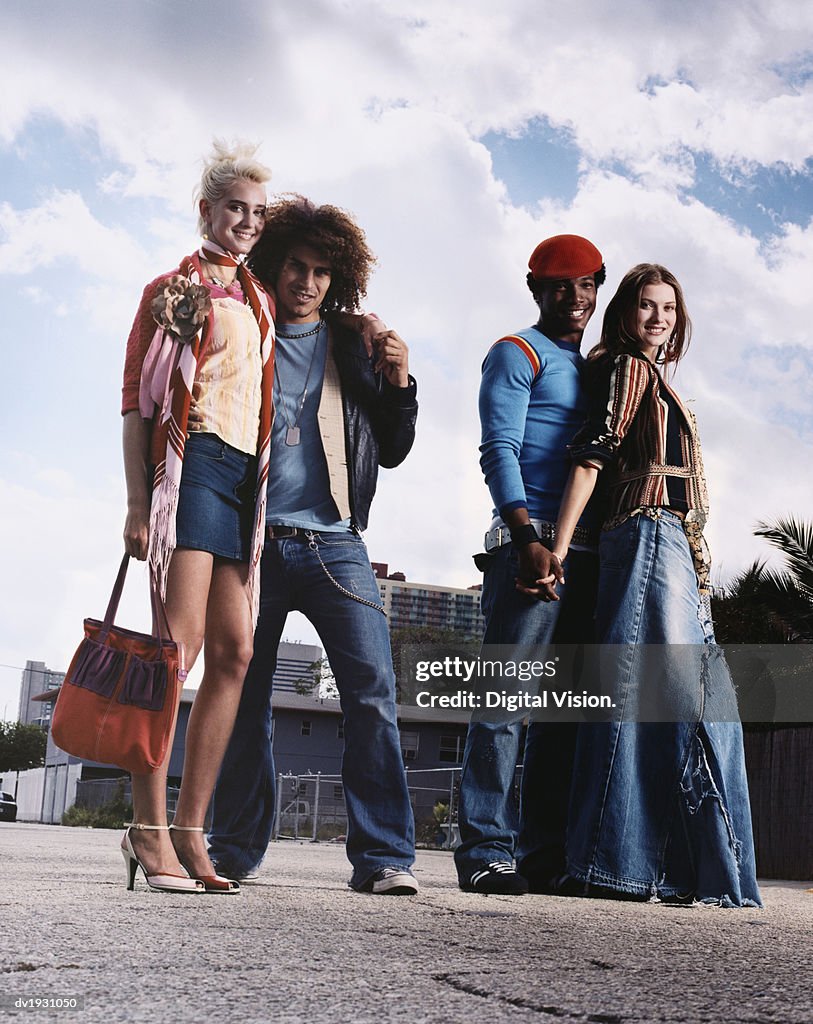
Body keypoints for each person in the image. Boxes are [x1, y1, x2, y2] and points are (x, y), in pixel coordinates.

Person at [207, 195, 420, 895]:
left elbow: (390, 450)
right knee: (243, 697)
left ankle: (384, 858)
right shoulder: (247, 330)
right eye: (296, 265)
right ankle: (233, 851)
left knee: (371, 694)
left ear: (339, 280)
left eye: (322, 272)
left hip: (335, 545)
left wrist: (399, 381)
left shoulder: (352, 343)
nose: (307, 281)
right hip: (253, 543)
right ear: (275, 265)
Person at [550, 263, 761, 906]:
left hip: (670, 547)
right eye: (646, 305)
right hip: (644, 537)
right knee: (658, 699)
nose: (658, 317)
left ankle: (662, 868)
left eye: (668, 307)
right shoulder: (627, 368)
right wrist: (556, 548)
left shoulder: (659, 379)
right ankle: (617, 865)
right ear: (626, 311)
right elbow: (594, 454)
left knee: (683, 701)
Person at [119, 140, 274, 894]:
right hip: (191, 467)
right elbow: (136, 406)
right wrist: (137, 502)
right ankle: (147, 832)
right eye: (234, 208)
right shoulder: (171, 289)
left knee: (236, 652)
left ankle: (190, 830)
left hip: (245, 479)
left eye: (257, 212)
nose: (246, 221)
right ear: (206, 210)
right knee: (172, 654)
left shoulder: (257, 298)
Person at [455, 235, 603, 895]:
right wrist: (524, 538)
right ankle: (485, 851)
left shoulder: (595, 366)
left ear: (598, 288)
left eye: (584, 286)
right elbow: (498, 447)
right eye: (558, 286)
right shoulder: (517, 354)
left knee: (562, 713)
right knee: (504, 703)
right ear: (535, 289)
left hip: (583, 551)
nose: (573, 299)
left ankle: (543, 856)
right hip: (530, 545)